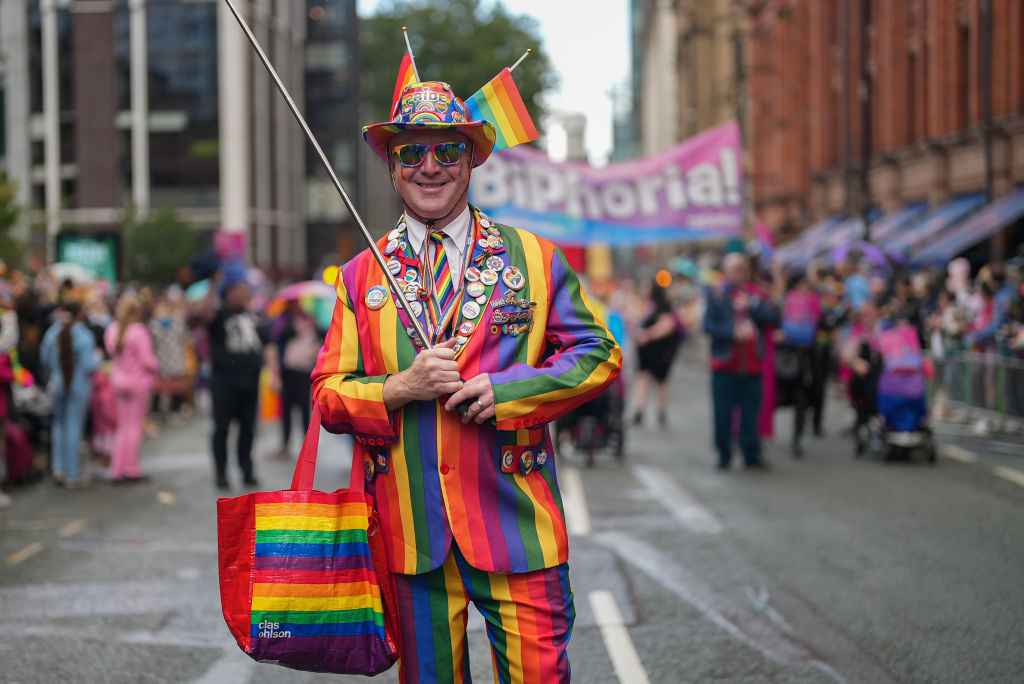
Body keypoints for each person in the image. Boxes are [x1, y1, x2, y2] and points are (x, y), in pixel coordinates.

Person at [313, 79, 622, 683]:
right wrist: (400, 387)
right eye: (412, 153)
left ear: (473, 159)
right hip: (412, 542)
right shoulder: (359, 277)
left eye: (448, 151)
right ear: (393, 167)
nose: (430, 167)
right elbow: (328, 395)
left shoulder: (534, 258)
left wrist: (508, 392)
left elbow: (598, 354)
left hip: (517, 528)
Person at [703, 252, 779, 469]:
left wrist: (752, 306)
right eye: (736, 268)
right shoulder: (717, 294)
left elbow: (771, 319)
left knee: (750, 414)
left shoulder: (755, 294)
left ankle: (750, 452)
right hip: (725, 365)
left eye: (743, 268)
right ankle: (724, 453)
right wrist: (731, 332)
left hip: (752, 366)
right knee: (723, 414)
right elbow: (708, 325)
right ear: (727, 271)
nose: (740, 273)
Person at [200, 265, 268, 490]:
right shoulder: (219, 314)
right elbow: (205, 314)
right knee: (222, 430)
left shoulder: (252, 316)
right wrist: (213, 284)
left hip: (249, 384)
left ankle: (246, 469)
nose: (245, 293)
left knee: (248, 430)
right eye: (241, 289)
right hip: (224, 384)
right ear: (229, 292)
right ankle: (221, 473)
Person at [40, 301, 99, 487]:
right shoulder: (83, 335)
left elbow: (46, 358)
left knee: (58, 424)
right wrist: (98, 358)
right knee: (73, 427)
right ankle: (72, 473)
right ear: (80, 314)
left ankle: (58, 467)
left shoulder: (52, 332)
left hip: (58, 383)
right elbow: (90, 365)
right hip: (78, 384)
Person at [104, 292, 161, 483]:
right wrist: (157, 366)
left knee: (122, 427)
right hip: (138, 384)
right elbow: (147, 361)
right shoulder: (139, 332)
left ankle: (117, 468)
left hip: (119, 382)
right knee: (135, 427)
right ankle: (131, 467)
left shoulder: (111, 330)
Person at [270, 302, 322, 458]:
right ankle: (285, 443)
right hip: (289, 371)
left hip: (304, 371)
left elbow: (322, 339)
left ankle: (307, 445)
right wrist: (295, 329)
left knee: (304, 408)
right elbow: (278, 339)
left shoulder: (313, 322)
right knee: (286, 409)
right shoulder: (285, 322)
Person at [630, 281, 681, 428]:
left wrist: (648, 335)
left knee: (660, 381)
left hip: (660, 350)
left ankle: (661, 412)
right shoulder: (646, 305)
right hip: (646, 351)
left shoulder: (662, 305)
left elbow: (667, 325)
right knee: (643, 378)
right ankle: (639, 410)